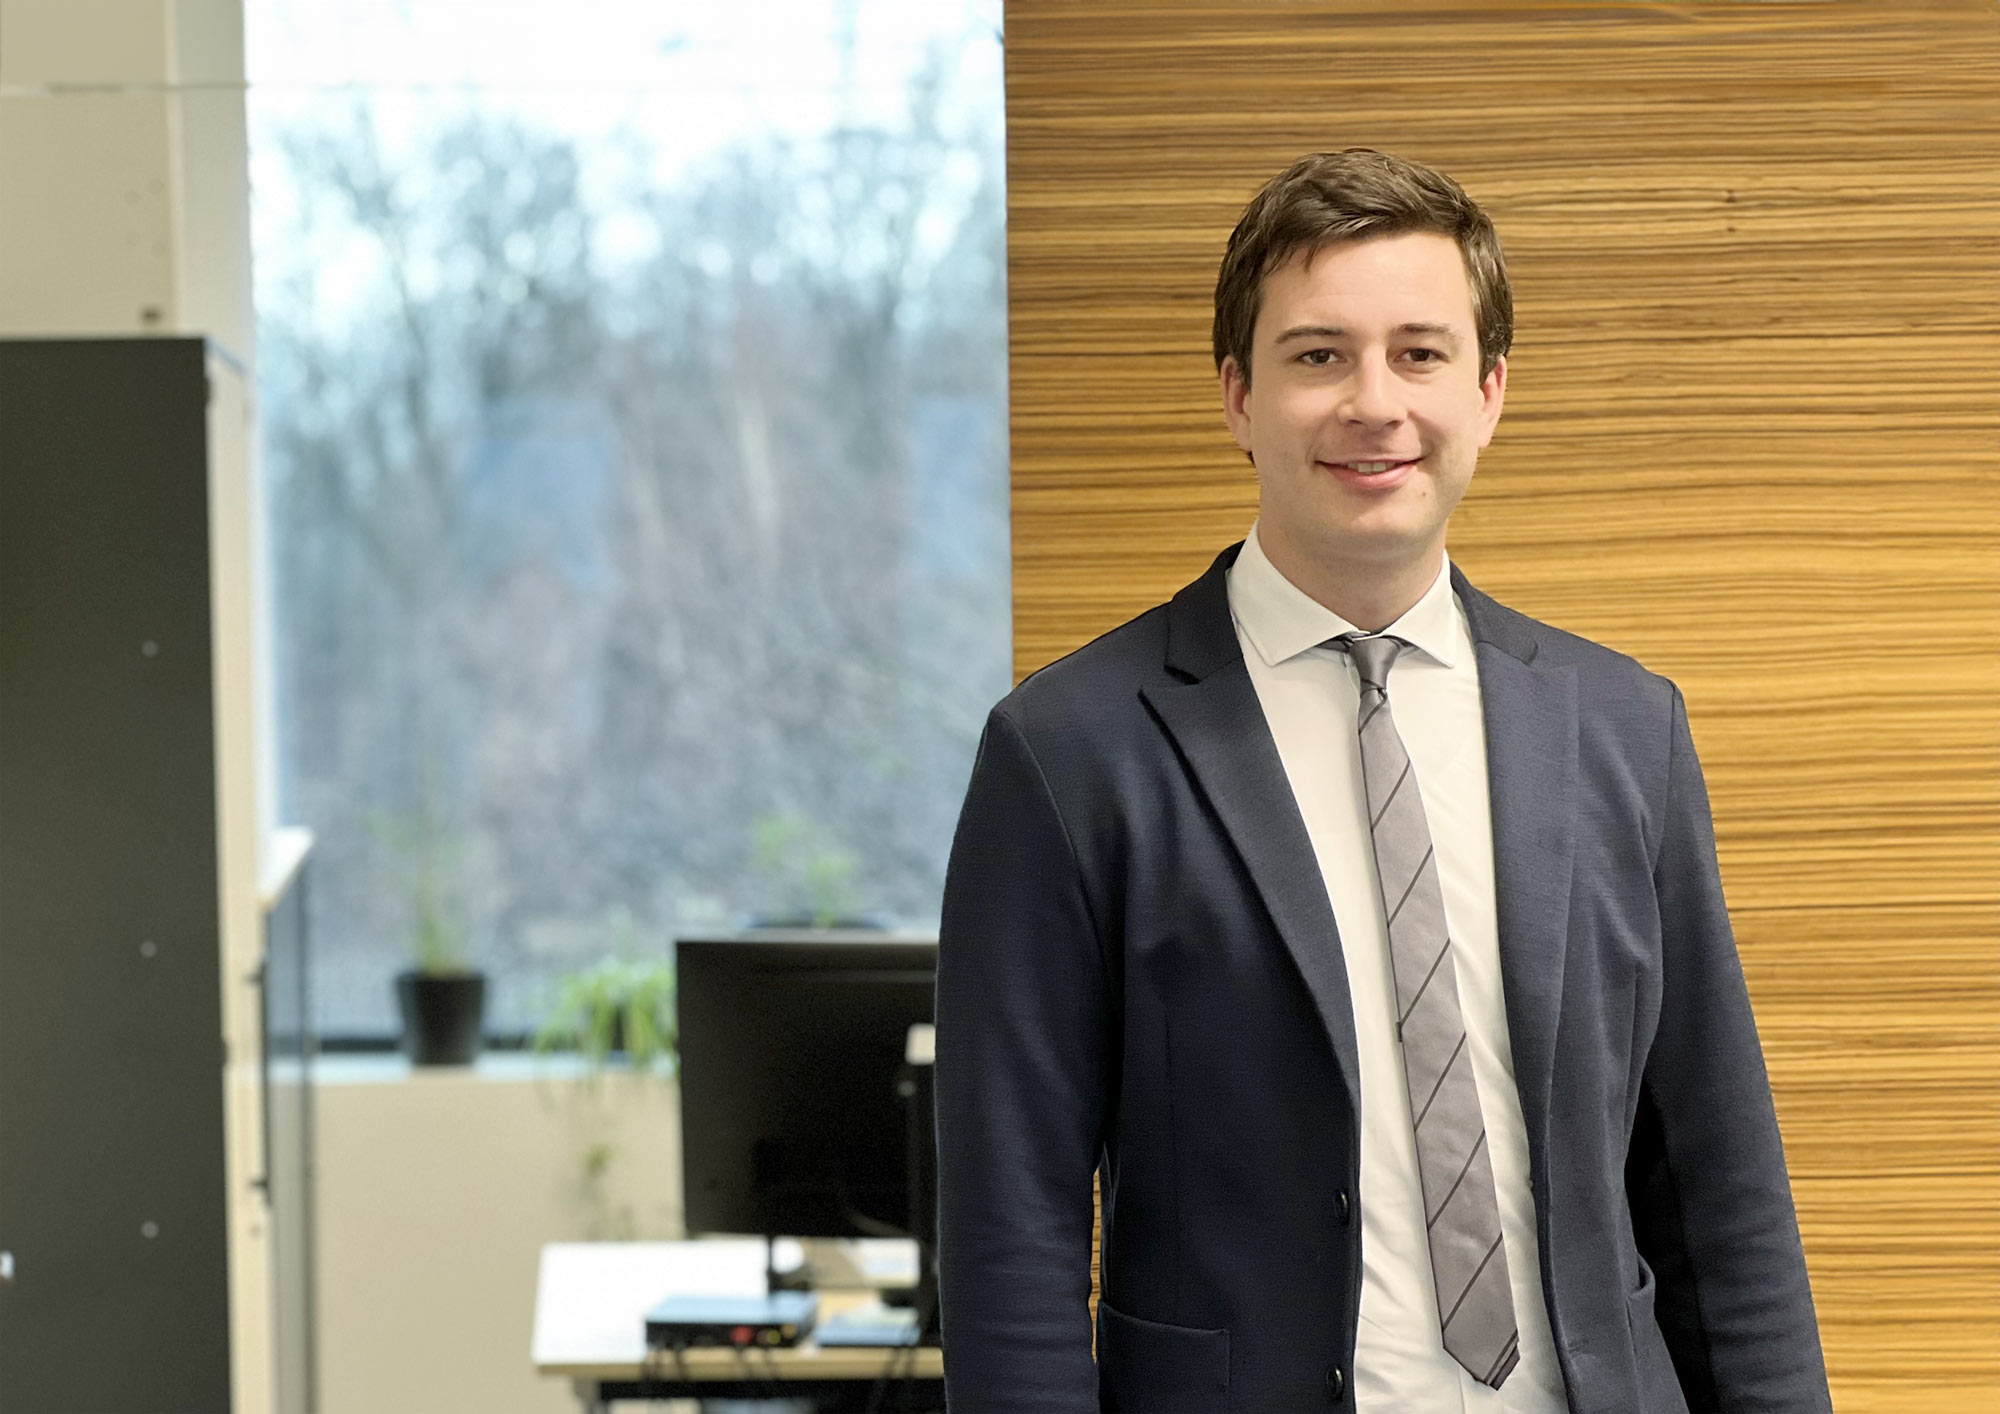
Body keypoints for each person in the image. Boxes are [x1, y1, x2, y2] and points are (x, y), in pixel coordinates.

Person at [933, 149, 1830, 1413]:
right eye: (1317, 355)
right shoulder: (1070, 751)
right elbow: (1007, 1232)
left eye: (1419, 353)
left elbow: (1719, 1185)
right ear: (1238, 395)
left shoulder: (1623, 727)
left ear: (1488, 391)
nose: (1373, 403)